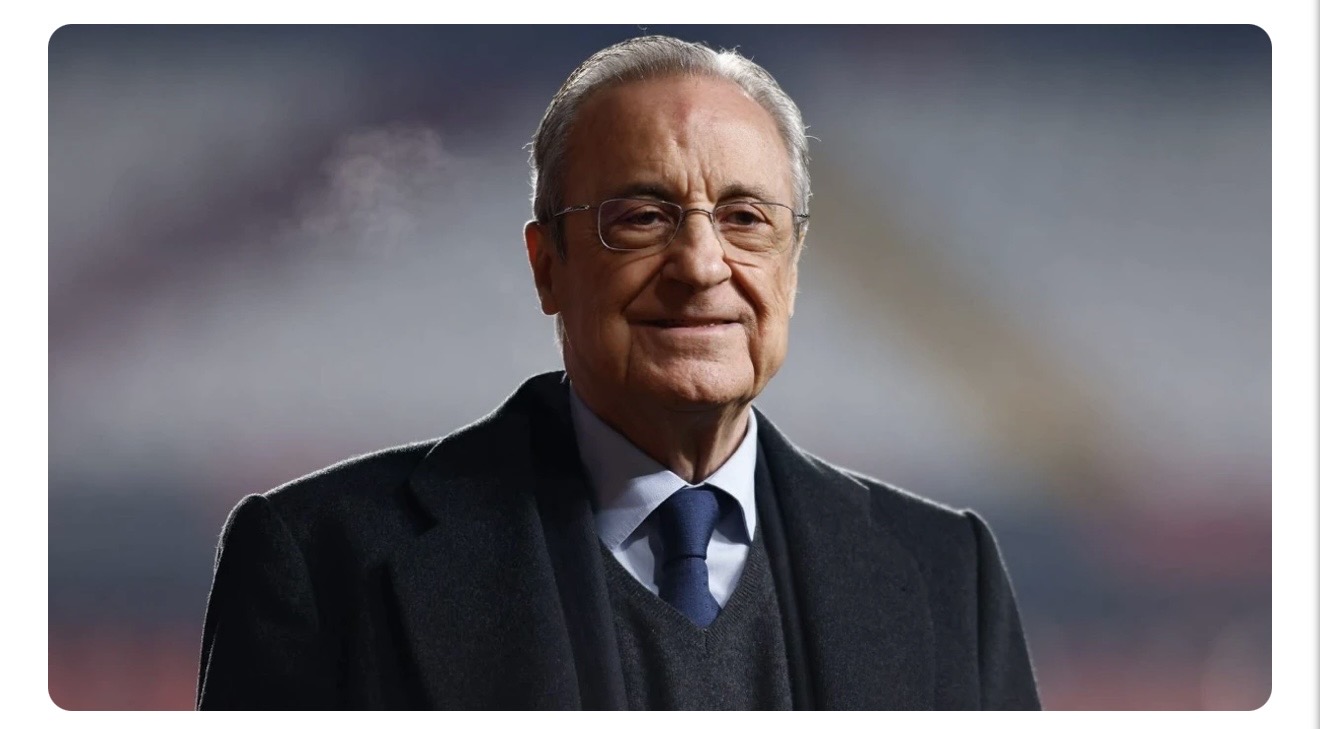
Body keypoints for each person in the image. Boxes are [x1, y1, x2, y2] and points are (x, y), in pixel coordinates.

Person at [196, 34, 1040, 711]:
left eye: (745, 217)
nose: (701, 264)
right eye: (642, 216)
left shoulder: (948, 572)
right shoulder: (322, 559)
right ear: (547, 266)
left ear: (792, 263)